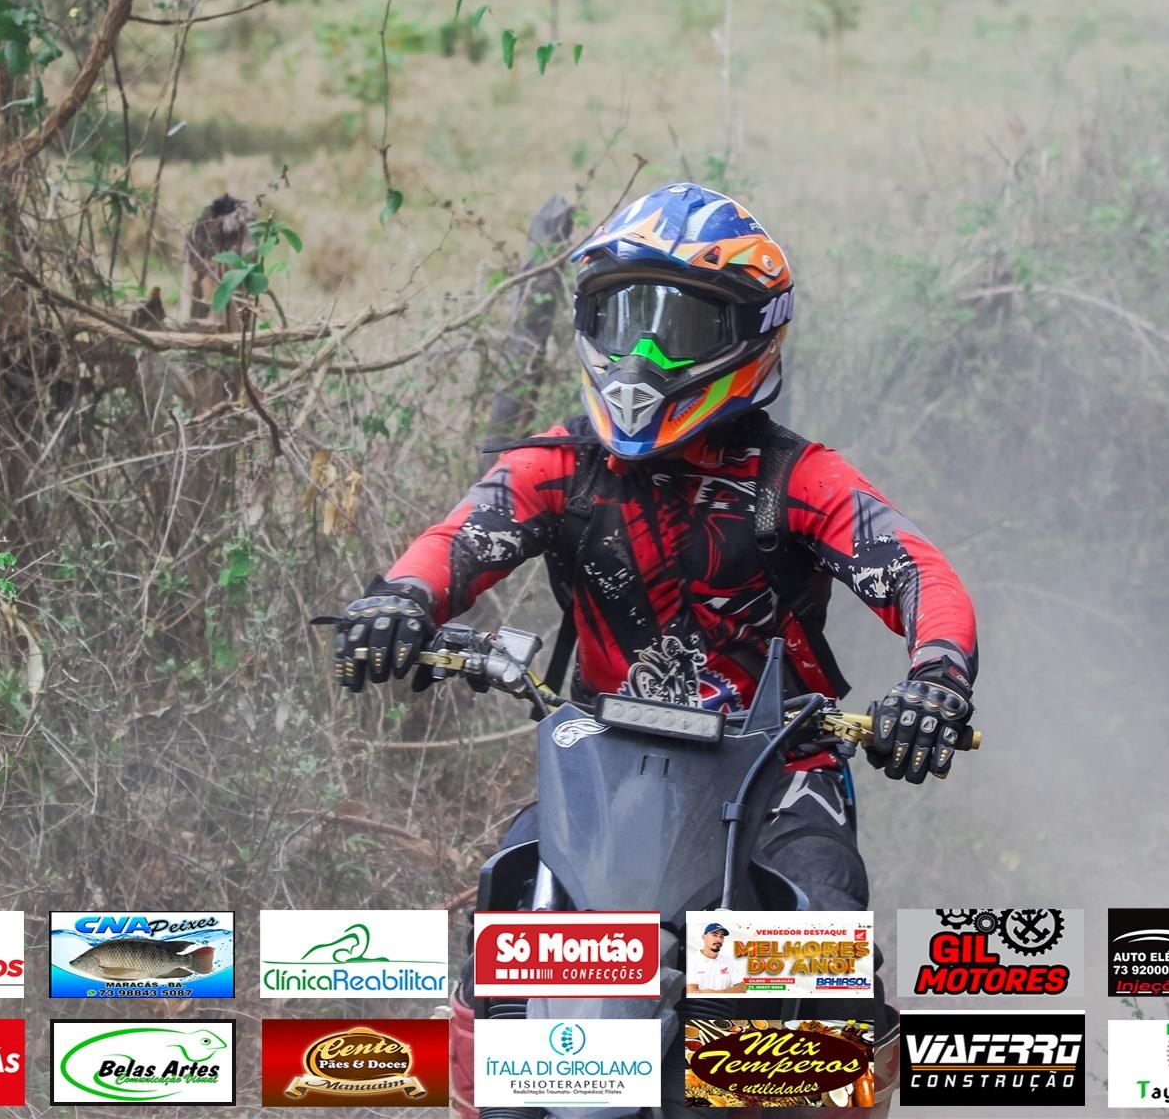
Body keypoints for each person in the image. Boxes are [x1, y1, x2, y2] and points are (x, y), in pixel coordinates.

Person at [333, 183, 979, 1060]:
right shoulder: (557, 465)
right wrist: (400, 602)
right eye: (623, 318)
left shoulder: (798, 478)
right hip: (605, 776)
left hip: (779, 776)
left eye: (679, 327)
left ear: (750, 333)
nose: (640, 356)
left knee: (826, 942)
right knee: (504, 921)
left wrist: (935, 681)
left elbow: (919, 572)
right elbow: (460, 537)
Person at [686, 921, 746, 995]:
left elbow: (743, 987)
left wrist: (719, 993)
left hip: (725, 1002)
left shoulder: (729, 962)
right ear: (704, 937)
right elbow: (691, 991)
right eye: (714, 935)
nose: (719, 940)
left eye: (722, 937)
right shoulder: (691, 962)